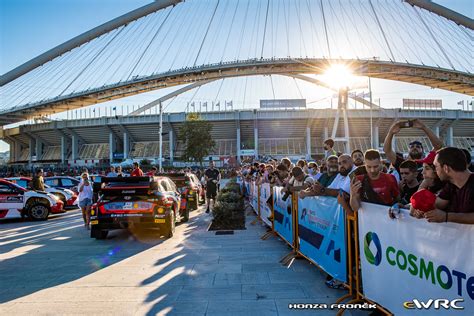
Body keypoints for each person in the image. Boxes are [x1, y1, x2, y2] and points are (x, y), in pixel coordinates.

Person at [422, 147, 474, 224]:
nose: (435, 171)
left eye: (436, 167)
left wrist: (446, 217)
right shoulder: (451, 184)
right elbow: (437, 204)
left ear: (446, 168)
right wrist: (418, 207)